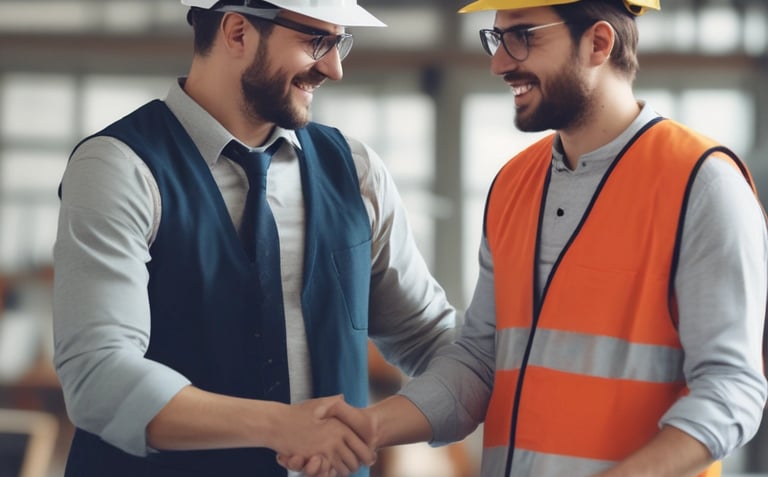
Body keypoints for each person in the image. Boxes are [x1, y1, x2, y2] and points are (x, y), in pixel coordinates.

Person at [283, 0, 768, 476]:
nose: (498, 63)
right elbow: (480, 362)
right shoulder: (515, 183)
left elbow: (732, 392)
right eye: (496, 39)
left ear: (598, 43)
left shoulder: (703, 185)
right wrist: (368, 427)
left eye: (521, 38)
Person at [52, 1, 456, 476]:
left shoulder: (357, 170)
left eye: (339, 43)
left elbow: (433, 338)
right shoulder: (119, 168)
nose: (334, 68)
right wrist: (280, 426)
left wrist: (374, 426)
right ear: (238, 32)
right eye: (316, 42)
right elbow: (98, 375)